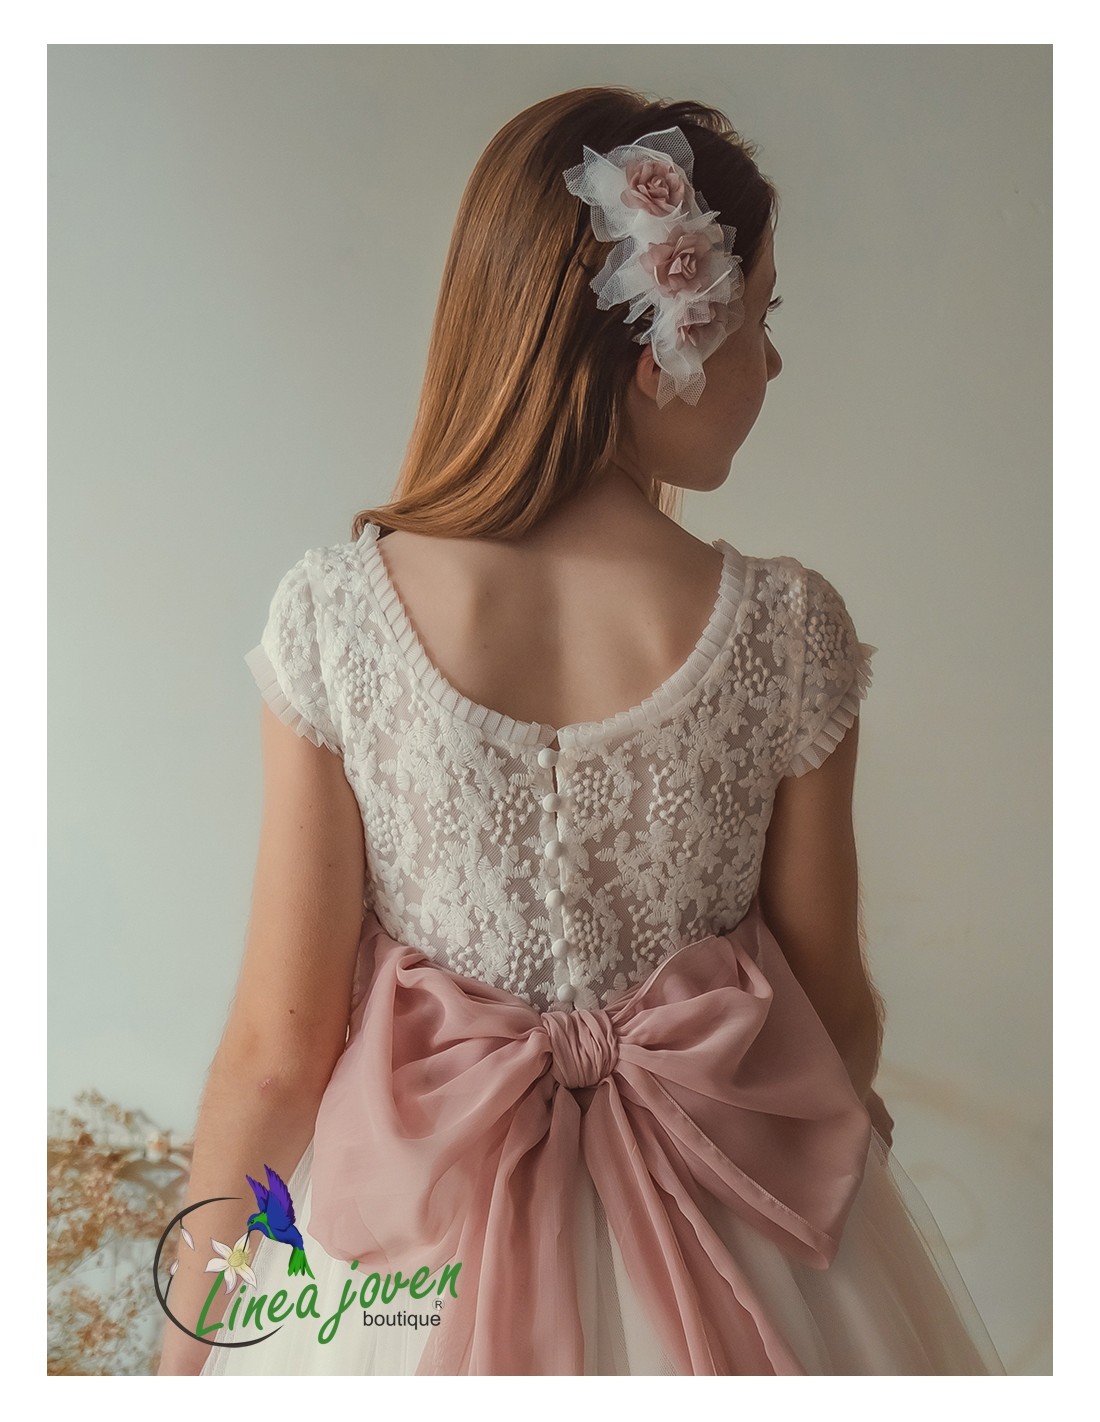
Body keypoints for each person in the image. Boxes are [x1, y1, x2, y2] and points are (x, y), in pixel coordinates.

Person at [157, 86, 1006, 1376]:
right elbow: (831, 1016)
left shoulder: (337, 618)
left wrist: (182, 1366)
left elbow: (278, 1057)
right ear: (659, 339)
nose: (773, 364)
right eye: (763, 317)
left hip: (405, 1267)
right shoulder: (787, 629)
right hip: (734, 1255)